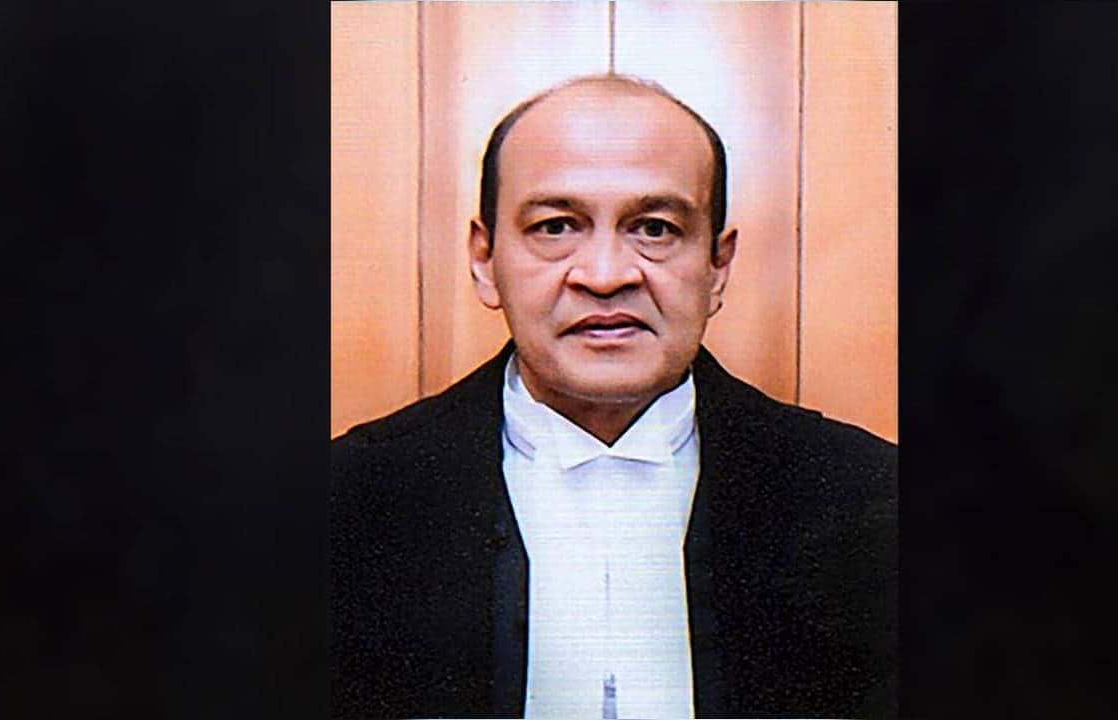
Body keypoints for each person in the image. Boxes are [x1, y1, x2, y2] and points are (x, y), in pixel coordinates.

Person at [330, 74, 896, 719]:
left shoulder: (870, 499)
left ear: (717, 266)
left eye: (655, 228)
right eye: (555, 227)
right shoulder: (348, 501)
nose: (605, 276)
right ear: (485, 260)